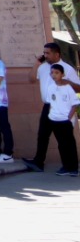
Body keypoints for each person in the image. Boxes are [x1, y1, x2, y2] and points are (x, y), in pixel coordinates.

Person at [25, 41, 80, 173]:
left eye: (48, 53)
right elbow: (31, 79)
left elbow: (78, 87)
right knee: (43, 135)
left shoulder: (67, 68)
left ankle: (71, 167)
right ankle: (39, 162)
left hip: (63, 107)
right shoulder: (43, 67)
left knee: (64, 138)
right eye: (44, 53)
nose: (45, 55)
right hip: (48, 106)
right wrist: (36, 65)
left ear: (57, 54)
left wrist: (67, 82)